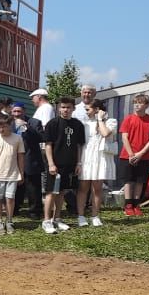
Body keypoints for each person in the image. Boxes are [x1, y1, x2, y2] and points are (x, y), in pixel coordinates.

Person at [41, 97, 85, 234]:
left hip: (70, 164)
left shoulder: (78, 125)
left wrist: (78, 163)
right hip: (55, 164)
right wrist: (51, 164)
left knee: (62, 192)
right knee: (51, 193)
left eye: (68, 107)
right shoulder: (52, 124)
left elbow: (79, 146)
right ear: (59, 108)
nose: (65, 110)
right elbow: (48, 145)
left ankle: (57, 218)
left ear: (73, 108)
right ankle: (47, 221)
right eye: (63, 107)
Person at [118, 93, 149, 216]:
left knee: (140, 181)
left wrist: (140, 153)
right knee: (129, 180)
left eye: (140, 102)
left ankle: (137, 205)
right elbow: (124, 137)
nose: (137, 105)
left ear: (146, 105)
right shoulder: (128, 119)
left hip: (144, 156)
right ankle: (128, 205)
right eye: (135, 102)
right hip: (127, 156)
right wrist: (131, 154)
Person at [77, 100, 116, 227]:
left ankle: (95, 216)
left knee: (97, 189)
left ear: (97, 109)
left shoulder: (111, 121)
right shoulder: (84, 123)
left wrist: (100, 119)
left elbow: (105, 133)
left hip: (100, 158)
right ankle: (81, 216)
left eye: (88, 109)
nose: (86, 112)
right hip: (86, 157)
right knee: (83, 188)